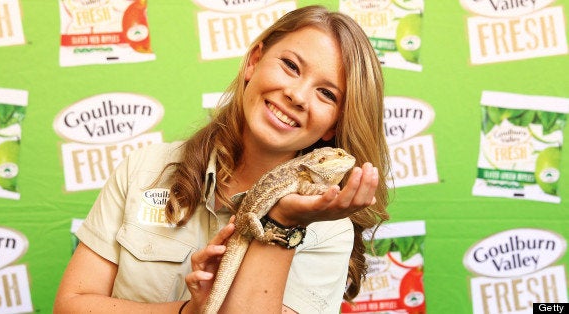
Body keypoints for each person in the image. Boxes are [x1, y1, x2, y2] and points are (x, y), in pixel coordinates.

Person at [54, 5, 390, 314]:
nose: (297, 96)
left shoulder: (330, 229)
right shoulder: (143, 169)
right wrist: (186, 312)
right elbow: (71, 305)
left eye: (327, 94)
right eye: (291, 66)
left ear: (335, 124)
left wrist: (284, 223)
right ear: (254, 61)